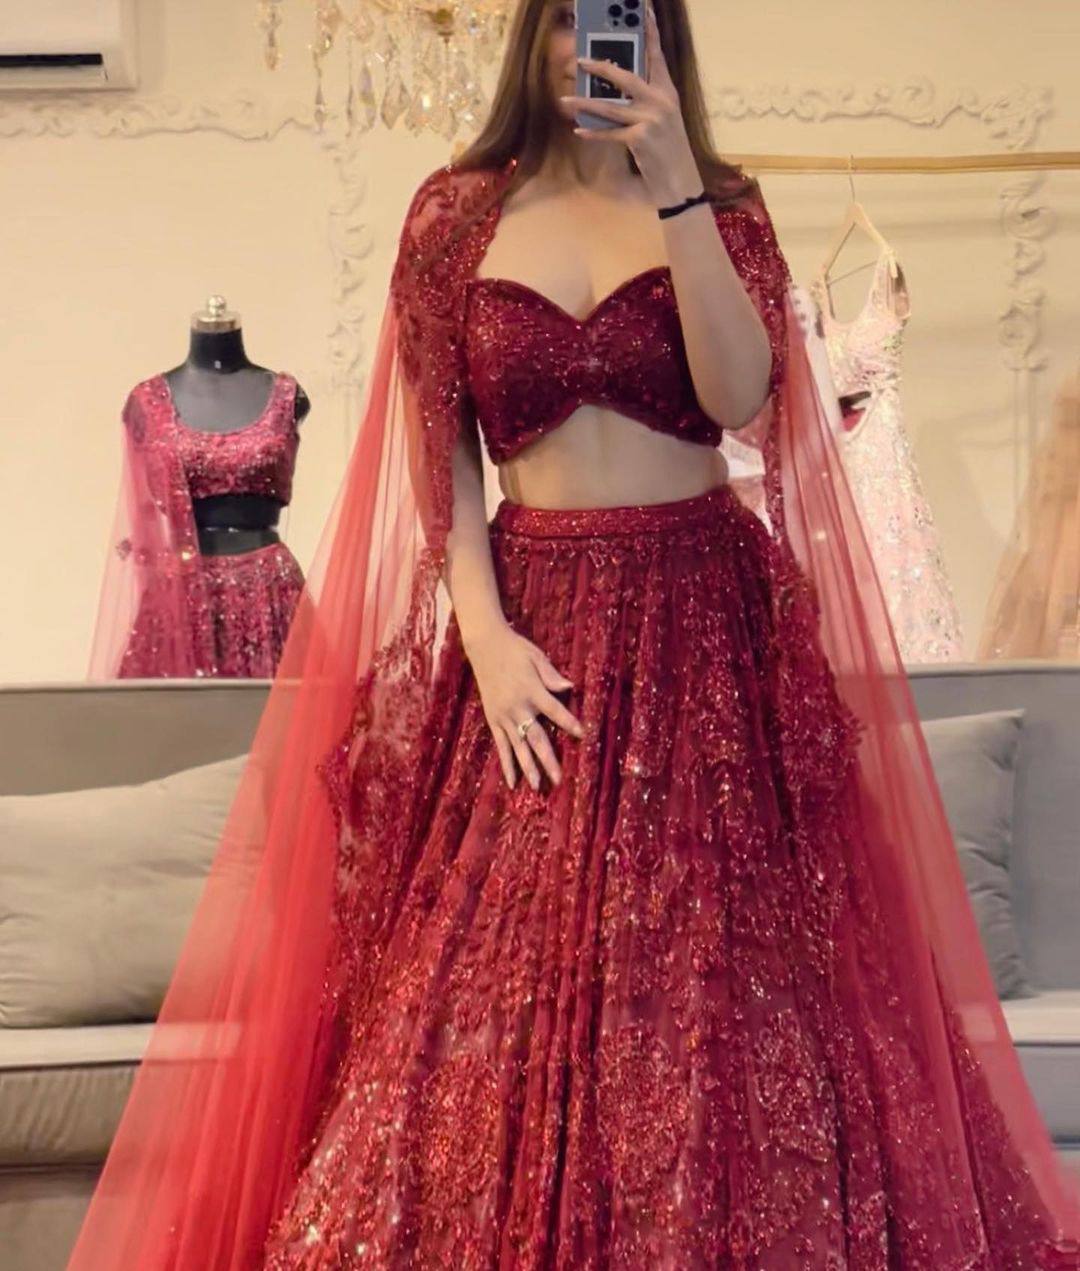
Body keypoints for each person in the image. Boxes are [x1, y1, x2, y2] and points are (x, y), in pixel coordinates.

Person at [67, 1, 1080, 1267]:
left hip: (706, 623)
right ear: (534, 34)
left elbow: (743, 398)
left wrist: (678, 189)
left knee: (729, 983)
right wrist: (485, 637)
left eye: (619, 17)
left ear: (660, 37)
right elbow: (441, 452)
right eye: (565, 18)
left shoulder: (723, 206)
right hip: (534, 630)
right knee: (476, 988)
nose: (585, 49)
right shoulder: (455, 217)